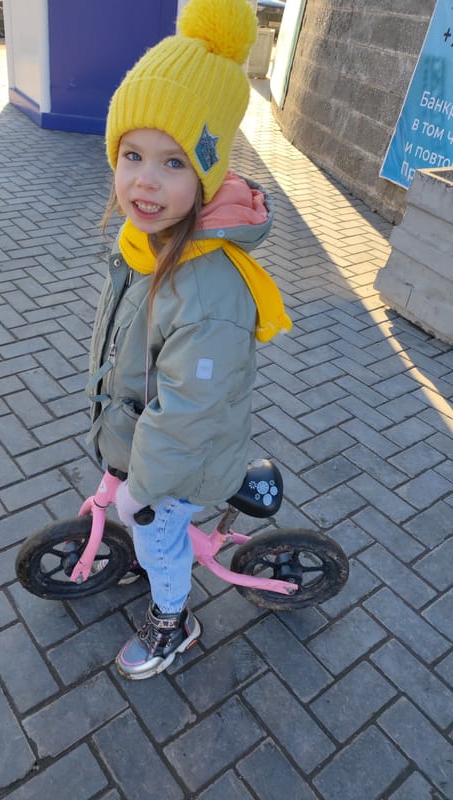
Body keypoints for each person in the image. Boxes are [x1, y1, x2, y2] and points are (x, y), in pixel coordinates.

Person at [86, 0, 292, 680]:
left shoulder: (206, 292)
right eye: (133, 154)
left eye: (174, 162)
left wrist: (144, 485)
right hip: (149, 436)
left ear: (207, 172)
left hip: (180, 457)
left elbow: (190, 409)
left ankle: (173, 620)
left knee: (157, 538)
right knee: (145, 519)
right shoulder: (147, 243)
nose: (145, 179)